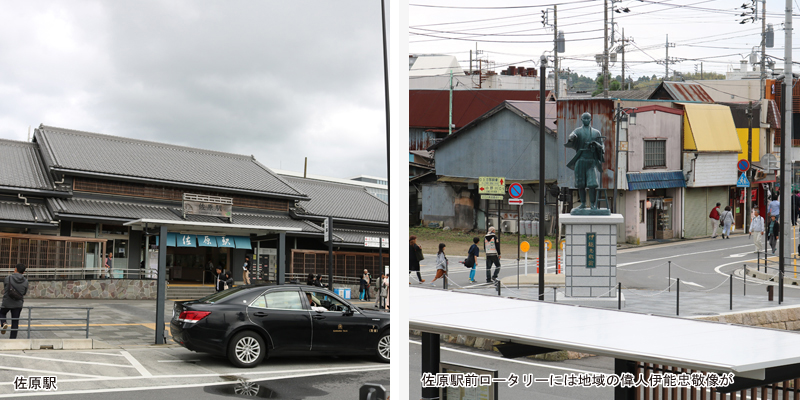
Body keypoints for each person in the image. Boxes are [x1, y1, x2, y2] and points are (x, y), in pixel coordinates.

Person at [564, 112, 605, 210]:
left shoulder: (596, 132)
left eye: (588, 118)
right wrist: (571, 137)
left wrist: (596, 144)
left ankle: (592, 204)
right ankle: (583, 203)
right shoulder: (577, 131)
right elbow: (571, 137)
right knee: (580, 183)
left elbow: (602, 147)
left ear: (591, 120)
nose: (586, 120)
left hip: (591, 161)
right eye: (584, 118)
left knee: (592, 184)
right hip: (580, 160)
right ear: (581, 120)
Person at [1, 264, 28, 339]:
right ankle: (12, 339)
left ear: (15, 269)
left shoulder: (8, 278)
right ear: (23, 272)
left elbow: (6, 288)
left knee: (2, 313)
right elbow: (24, 292)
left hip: (7, 302)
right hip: (18, 303)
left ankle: (3, 323)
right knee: (15, 321)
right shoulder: (26, 281)